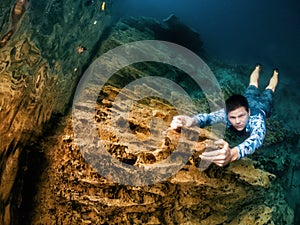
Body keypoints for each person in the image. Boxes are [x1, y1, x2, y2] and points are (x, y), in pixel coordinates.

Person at [170, 64, 279, 167]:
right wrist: (192, 120)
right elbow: (208, 118)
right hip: (248, 100)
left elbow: (257, 138)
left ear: (249, 112)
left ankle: (275, 74)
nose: (237, 121)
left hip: (263, 106)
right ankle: (257, 68)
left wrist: (233, 154)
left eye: (241, 116)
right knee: (253, 84)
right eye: (232, 117)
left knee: (270, 89)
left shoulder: (257, 120)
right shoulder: (225, 114)